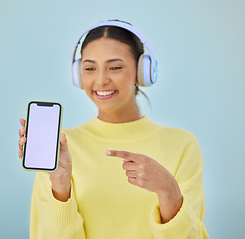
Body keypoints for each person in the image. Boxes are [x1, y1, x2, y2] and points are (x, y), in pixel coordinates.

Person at [18, 20, 208, 239]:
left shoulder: (181, 144)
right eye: (90, 68)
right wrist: (61, 188)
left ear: (141, 71)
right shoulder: (61, 148)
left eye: (115, 67)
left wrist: (169, 192)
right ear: (78, 75)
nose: (101, 80)